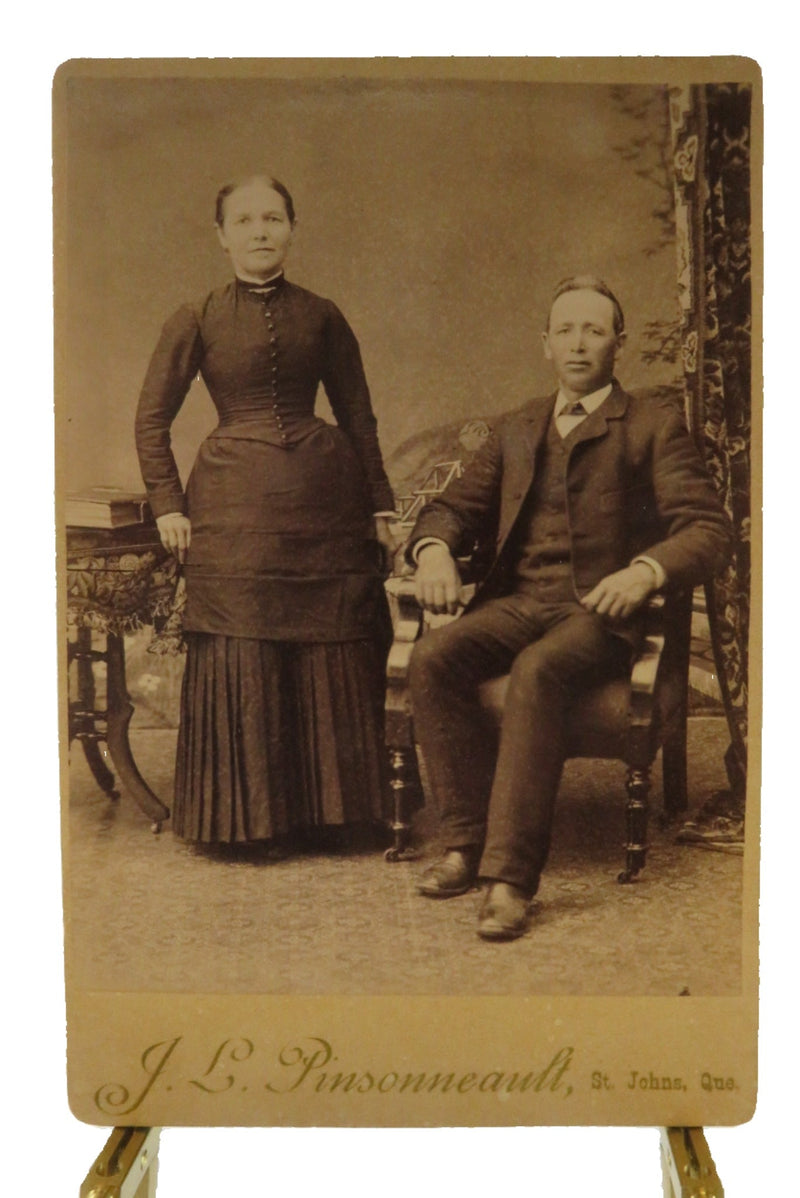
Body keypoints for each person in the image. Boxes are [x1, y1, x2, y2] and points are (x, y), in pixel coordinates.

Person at [407, 276, 732, 940]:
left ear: (618, 341)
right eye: (565, 330)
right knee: (435, 655)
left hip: (602, 619)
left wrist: (645, 572)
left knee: (538, 669)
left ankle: (510, 879)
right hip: (523, 602)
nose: (578, 343)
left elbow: (708, 531)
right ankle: (464, 844)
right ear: (546, 345)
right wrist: (434, 550)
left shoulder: (651, 427)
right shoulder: (517, 427)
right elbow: (449, 507)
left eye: (593, 329)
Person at [135, 174, 396, 847]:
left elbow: (359, 416)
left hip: (325, 501)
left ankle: (338, 818)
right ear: (221, 237)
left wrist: (381, 509)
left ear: (291, 229)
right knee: (241, 643)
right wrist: (168, 504)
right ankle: (248, 824)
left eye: (273, 219)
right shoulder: (194, 316)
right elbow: (150, 421)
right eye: (245, 221)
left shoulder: (325, 314)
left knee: (330, 641)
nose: (260, 232)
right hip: (230, 504)